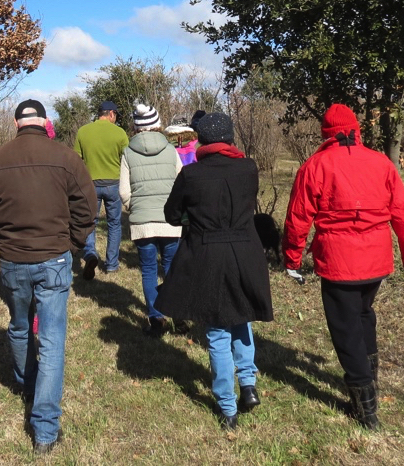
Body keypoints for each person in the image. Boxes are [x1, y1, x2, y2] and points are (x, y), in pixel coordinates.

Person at [282, 104, 404, 430]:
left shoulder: (315, 165)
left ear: (326, 133)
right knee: (363, 315)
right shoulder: (381, 163)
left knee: (346, 330)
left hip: (338, 264)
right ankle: (370, 385)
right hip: (376, 262)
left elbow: (297, 219)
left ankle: (367, 411)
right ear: (355, 131)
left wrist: (292, 259)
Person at [0, 99, 97, 455]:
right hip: (53, 259)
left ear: (16, 123)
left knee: (21, 326)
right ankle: (44, 429)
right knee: (52, 340)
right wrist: (72, 243)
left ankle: (28, 386)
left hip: (14, 260)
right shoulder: (68, 158)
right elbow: (88, 208)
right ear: (45, 122)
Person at [155, 112, 274, 431]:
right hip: (245, 252)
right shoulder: (249, 168)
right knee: (241, 315)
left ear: (202, 140)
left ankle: (227, 406)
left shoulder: (192, 174)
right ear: (231, 138)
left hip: (207, 254)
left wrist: (192, 220)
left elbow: (171, 214)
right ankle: (247, 383)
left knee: (218, 330)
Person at [119, 103, 183, 337]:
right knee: (171, 268)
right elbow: (181, 183)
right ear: (157, 124)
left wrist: (134, 208)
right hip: (170, 221)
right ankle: (178, 316)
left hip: (142, 222)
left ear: (136, 127)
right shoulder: (170, 150)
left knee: (148, 270)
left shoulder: (128, 152)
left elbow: (124, 191)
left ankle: (156, 319)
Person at [72, 100, 129, 279]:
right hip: (113, 183)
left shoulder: (83, 131)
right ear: (111, 114)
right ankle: (111, 264)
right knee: (114, 224)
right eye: (116, 115)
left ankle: (90, 253)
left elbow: (76, 160)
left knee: (91, 222)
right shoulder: (119, 133)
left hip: (90, 184)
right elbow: (127, 159)